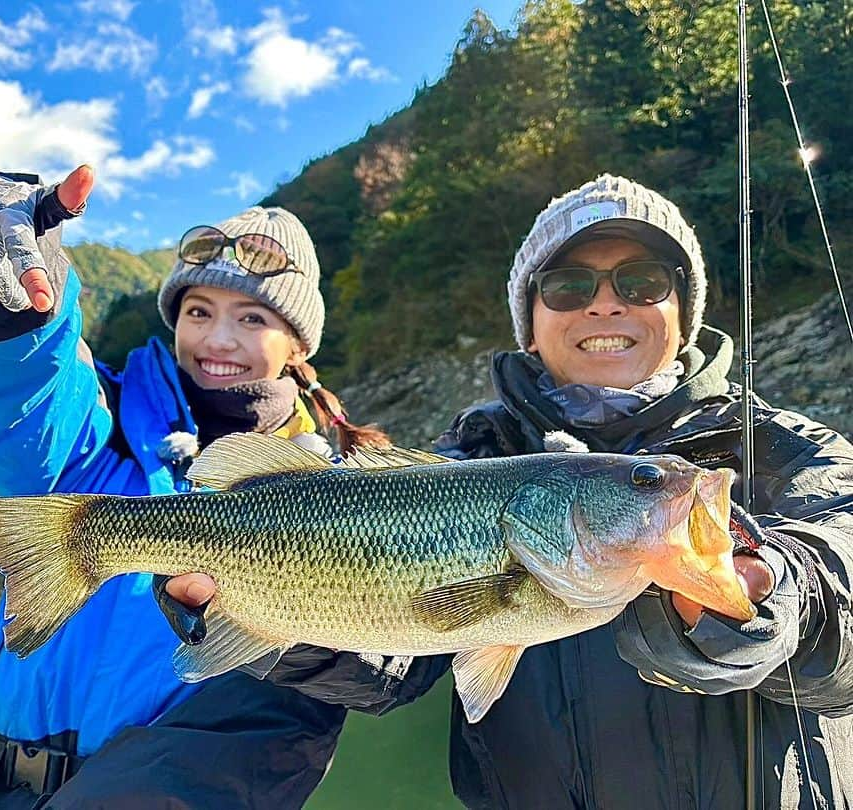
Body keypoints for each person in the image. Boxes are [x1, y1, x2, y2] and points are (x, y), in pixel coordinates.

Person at [160, 174, 853, 809]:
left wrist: (781, 596)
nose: (605, 303)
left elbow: (840, 578)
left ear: (684, 307)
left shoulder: (791, 451)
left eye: (641, 282)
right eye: (569, 286)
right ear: (530, 317)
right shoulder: (467, 460)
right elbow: (395, 665)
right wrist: (273, 622)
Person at [0, 163, 389, 809]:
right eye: (198, 310)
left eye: (252, 319)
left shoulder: (341, 493)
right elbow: (9, 400)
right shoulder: (97, 422)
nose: (218, 339)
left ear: (298, 345)